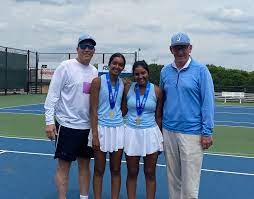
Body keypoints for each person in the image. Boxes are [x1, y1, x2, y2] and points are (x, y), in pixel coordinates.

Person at [160, 32, 214, 199]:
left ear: (190, 48)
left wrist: (207, 131)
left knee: (190, 183)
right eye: (177, 48)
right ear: (171, 50)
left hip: (192, 133)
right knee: (173, 180)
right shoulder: (165, 71)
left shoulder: (201, 71)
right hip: (169, 131)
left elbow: (208, 102)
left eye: (183, 47)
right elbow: (162, 99)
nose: (180, 51)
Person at [44, 33, 98, 199]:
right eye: (84, 46)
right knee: (63, 167)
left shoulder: (94, 71)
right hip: (67, 126)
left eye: (90, 47)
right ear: (77, 49)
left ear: (93, 51)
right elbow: (52, 95)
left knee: (84, 165)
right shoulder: (65, 66)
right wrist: (49, 122)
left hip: (87, 128)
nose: (87, 49)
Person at [122, 60, 163, 199]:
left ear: (148, 73)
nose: (140, 76)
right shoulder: (128, 88)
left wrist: (161, 140)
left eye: (143, 73)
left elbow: (158, 116)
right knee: (132, 172)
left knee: (150, 172)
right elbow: (122, 110)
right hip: (131, 133)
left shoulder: (157, 90)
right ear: (133, 75)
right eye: (137, 74)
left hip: (150, 134)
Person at [89, 53, 126, 199]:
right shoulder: (98, 82)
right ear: (109, 64)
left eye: (120, 64)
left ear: (123, 68)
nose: (117, 66)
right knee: (99, 169)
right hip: (101, 129)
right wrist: (95, 135)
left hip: (117, 130)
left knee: (116, 170)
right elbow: (92, 110)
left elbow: (123, 109)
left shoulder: (123, 84)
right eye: (114, 63)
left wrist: (116, 117)